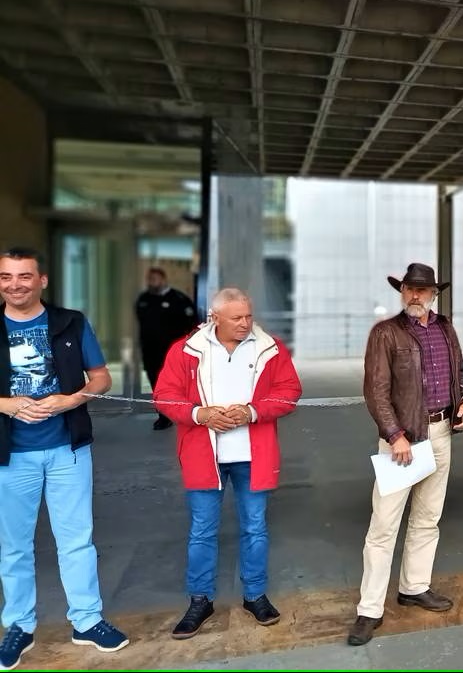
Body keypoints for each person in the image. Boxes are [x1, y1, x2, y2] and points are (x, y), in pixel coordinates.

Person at [0, 247, 129, 671]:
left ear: (42, 281)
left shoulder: (70, 321)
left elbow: (102, 377)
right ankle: (18, 626)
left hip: (67, 449)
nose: (14, 284)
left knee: (77, 540)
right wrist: (8, 405)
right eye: (6, 277)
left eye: (24, 276)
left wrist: (68, 400)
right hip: (10, 454)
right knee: (13, 547)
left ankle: (87, 621)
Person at [154, 288, 301, 640]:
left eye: (248, 316)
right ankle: (200, 600)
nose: (245, 323)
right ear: (214, 317)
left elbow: (290, 391)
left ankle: (255, 595)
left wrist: (252, 412)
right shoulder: (185, 350)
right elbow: (163, 395)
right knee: (202, 530)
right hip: (204, 456)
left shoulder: (269, 348)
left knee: (255, 527)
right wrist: (199, 414)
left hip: (253, 455)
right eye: (236, 317)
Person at [348, 263, 463, 647]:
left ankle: (414, 586)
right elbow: (376, 390)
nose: (415, 295)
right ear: (401, 291)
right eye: (409, 288)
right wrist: (394, 434)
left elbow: (459, 373)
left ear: (434, 293)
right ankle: (369, 610)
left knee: (427, 517)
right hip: (403, 439)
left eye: (423, 289)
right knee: (384, 526)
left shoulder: (446, 329)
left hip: (440, 433)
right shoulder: (386, 333)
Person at [135, 267, 198, 431]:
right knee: (156, 383)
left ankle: (186, 412)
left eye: (154, 279)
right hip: (150, 352)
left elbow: (193, 325)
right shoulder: (143, 299)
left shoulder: (179, 299)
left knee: (179, 383)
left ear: (163, 280)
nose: (151, 282)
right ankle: (163, 416)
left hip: (173, 352)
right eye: (149, 279)